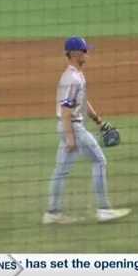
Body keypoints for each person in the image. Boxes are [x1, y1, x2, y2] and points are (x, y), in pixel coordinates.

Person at [42, 36, 131, 224]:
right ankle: (104, 210)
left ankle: (52, 213)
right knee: (99, 161)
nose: (87, 53)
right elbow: (66, 110)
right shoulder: (73, 78)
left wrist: (99, 121)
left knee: (61, 171)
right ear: (75, 53)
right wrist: (70, 138)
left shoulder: (76, 75)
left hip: (69, 126)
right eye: (84, 50)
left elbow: (82, 102)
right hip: (72, 127)